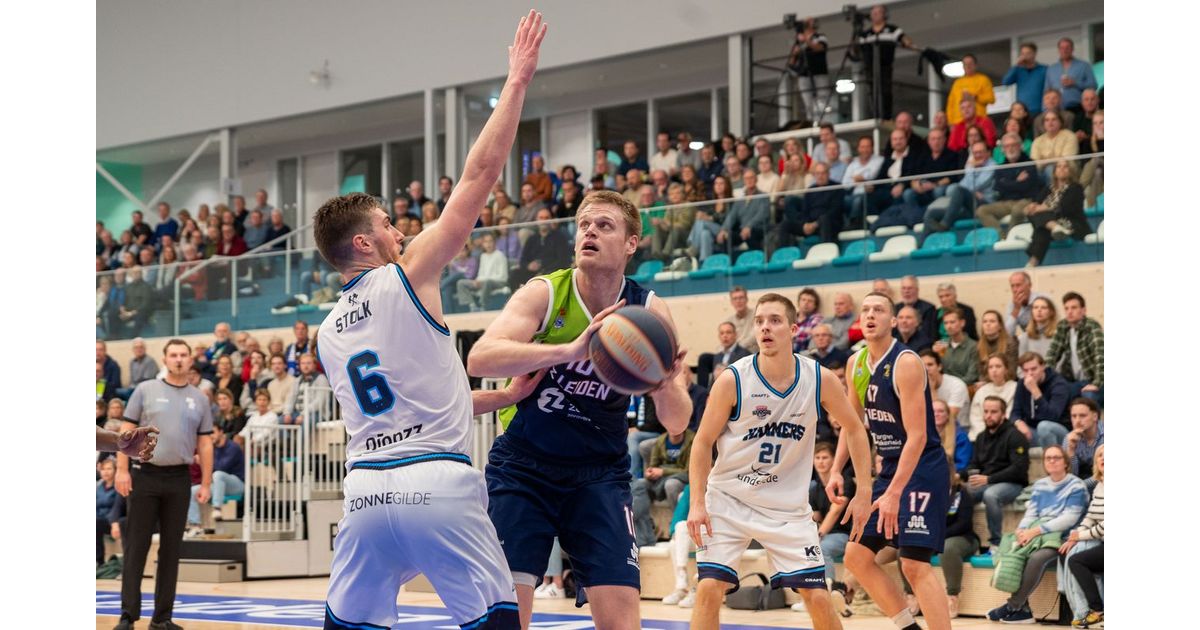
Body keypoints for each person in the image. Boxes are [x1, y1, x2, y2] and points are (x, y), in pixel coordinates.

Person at [310, 13, 546, 630]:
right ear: (364, 243)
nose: (400, 231)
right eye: (387, 224)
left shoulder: (327, 333)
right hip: (437, 485)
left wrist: (502, 397)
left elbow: (406, 400)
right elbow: (480, 176)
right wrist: (517, 81)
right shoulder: (409, 273)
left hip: (365, 494)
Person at [467, 188, 692, 630]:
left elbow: (678, 422)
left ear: (630, 243)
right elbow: (480, 358)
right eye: (584, 225)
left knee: (622, 623)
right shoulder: (546, 293)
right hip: (524, 466)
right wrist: (568, 351)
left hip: (599, 473)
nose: (590, 232)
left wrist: (665, 383)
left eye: (604, 225)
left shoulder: (647, 311)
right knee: (505, 620)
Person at [688, 293, 874, 630]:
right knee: (709, 589)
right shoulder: (733, 379)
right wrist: (697, 503)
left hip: (786, 509)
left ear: (793, 329)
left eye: (774, 321)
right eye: (759, 321)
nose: (765, 328)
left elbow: (855, 428)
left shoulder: (818, 378)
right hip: (729, 500)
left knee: (818, 597)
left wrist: (864, 491)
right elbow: (701, 443)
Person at [833, 291, 952, 630]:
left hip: (922, 468)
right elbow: (852, 425)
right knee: (856, 557)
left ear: (894, 321)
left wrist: (894, 493)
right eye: (865, 310)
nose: (871, 315)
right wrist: (837, 469)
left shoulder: (906, 363)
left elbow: (917, 436)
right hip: (889, 468)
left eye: (879, 310)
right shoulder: (856, 363)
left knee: (914, 564)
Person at [112, 338, 214, 630]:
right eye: (173, 355)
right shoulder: (145, 390)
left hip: (179, 478)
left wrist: (206, 482)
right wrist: (122, 470)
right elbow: (126, 432)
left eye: (183, 355)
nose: (179, 359)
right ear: (165, 359)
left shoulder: (200, 398)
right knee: (137, 547)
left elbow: (205, 443)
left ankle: (162, 619)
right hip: (144, 476)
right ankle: (127, 616)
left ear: (190, 360)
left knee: (171, 550)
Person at [987, 445, 1088, 624]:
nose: (1052, 461)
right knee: (1015, 548)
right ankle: (1024, 610)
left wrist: (1034, 531)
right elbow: (1031, 513)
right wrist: (1022, 530)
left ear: (1066, 463)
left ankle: (1013, 606)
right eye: (1048, 458)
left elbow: (1069, 519)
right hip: (1038, 534)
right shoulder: (1040, 485)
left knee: (1037, 557)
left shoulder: (1076, 485)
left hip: (1064, 538)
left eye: (1056, 457)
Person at [898, 462, 977, 619]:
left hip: (962, 537)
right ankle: (911, 594)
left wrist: (937, 535)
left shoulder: (961, 493)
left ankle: (953, 595)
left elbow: (964, 523)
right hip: (932, 536)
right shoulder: (925, 492)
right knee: (905, 550)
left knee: (948, 549)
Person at [964, 396, 1029, 551]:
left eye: (993, 412)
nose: (988, 415)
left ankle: (996, 542)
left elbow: (1019, 469)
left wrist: (989, 479)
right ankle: (965, 537)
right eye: (986, 411)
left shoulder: (1015, 435)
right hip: (987, 481)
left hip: (1012, 483)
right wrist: (963, 475)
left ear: (1003, 414)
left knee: (991, 495)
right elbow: (974, 464)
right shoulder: (981, 437)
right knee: (963, 493)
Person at [1062, 444, 1104, 628]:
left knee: (1077, 561)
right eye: (1100, 455)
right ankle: (1087, 610)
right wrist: (1075, 535)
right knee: (1069, 553)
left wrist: (1080, 536)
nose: (1103, 458)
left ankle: (1098, 611)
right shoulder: (1100, 485)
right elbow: (1091, 516)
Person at [630, 427, 695, 547]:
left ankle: (676, 524)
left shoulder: (692, 440)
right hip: (661, 479)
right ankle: (647, 529)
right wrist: (650, 473)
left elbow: (689, 470)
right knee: (640, 484)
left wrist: (663, 471)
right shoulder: (661, 440)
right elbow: (653, 465)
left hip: (682, 478)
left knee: (671, 485)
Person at [853, 4, 915, 121]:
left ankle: (886, 116)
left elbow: (905, 39)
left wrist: (907, 43)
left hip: (885, 65)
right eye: (873, 13)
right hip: (870, 67)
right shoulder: (866, 34)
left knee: (885, 91)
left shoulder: (892, 29)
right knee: (872, 91)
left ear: (884, 14)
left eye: (878, 12)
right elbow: (856, 50)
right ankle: (875, 115)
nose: (875, 15)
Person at [1025, 160, 1091, 267]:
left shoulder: (1076, 188)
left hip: (1071, 222)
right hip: (1053, 223)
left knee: (1042, 227)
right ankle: (1055, 227)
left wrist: (1043, 208)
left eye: (1065, 167)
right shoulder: (1048, 188)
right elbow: (1036, 203)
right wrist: (1032, 207)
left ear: (1071, 171)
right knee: (1035, 216)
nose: (1062, 169)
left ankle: (1033, 262)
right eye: (1059, 167)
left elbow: (1064, 209)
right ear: (1054, 171)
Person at [1045, 292, 1104, 406]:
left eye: (1074, 308)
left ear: (1083, 310)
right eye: (1066, 308)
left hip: (1096, 380)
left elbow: (1101, 357)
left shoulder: (1092, 327)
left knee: (1088, 395)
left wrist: (1096, 384)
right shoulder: (1063, 326)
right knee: (1057, 393)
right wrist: (1045, 378)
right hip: (1075, 382)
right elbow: (1052, 354)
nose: (1069, 312)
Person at [186, 423, 244, 536]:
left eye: (213, 432)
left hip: (237, 484)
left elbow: (222, 467)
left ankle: (217, 508)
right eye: (208, 433)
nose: (210, 436)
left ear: (221, 432)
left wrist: (203, 461)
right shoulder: (212, 448)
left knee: (218, 474)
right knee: (191, 491)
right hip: (218, 486)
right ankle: (195, 525)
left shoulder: (233, 447)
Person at [976, 133, 1041, 232]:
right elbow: (999, 188)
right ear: (1003, 149)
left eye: (1013, 145)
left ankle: (1011, 237)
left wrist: (1007, 182)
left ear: (1020, 146)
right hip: (1005, 202)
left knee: (1017, 210)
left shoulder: (1029, 164)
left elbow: (1026, 187)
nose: (1010, 149)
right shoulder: (1000, 168)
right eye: (1007, 146)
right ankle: (1002, 237)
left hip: (1026, 200)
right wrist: (1017, 181)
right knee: (982, 211)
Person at [1011, 352, 1071, 448]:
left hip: (1059, 432)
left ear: (1043, 367)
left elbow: (1052, 416)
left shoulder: (1058, 384)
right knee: (1008, 430)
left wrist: (1035, 392)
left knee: (1044, 427)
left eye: (1034, 369)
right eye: (1026, 370)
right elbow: (1015, 412)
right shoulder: (1022, 384)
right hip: (1034, 432)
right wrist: (1018, 423)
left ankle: (1052, 455)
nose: (1030, 373)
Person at [789, 17, 832, 123]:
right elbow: (791, 62)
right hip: (804, 75)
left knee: (823, 99)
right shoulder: (798, 41)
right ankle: (811, 122)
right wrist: (795, 53)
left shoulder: (820, 36)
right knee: (808, 103)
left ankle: (825, 122)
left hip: (819, 73)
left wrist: (807, 40)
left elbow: (820, 48)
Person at [968, 355, 1017, 440]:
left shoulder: (1015, 388)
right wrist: (986, 433)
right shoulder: (982, 391)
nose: (994, 370)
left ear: (1006, 369)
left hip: (1005, 434)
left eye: (998, 366)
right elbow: (975, 417)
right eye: (990, 367)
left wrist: (995, 432)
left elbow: (1010, 415)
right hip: (982, 435)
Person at [1044, 38, 1097, 116]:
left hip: (1077, 108)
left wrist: (1075, 83)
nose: (1064, 50)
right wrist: (1044, 110)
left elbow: (1093, 86)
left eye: (1067, 47)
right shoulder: (1051, 69)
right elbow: (1046, 91)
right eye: (1062, 48)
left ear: (1072, 49)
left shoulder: (1084, 66)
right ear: (1058, 50)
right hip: (1056, 110)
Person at [696, 321, 751, 388]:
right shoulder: (717, 356)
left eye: (728, 332)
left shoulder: (745, 355)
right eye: (722, 333)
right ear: (719, 337)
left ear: (735, 335)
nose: (725, 336)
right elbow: (712, 383)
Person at [932, 308, 978, 384]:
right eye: (945, 323)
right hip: (943, 385)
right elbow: (937, 371)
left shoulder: (973, 346)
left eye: (952, 322)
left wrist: (954, 385)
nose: (948, 326)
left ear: (962, 323)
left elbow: (972, 376)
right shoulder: (942, 344)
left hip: (965, 386)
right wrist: (933, 354)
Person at [1063, 397, 1104, 482]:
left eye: (1082, 416)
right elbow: (1070, 475)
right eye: (1074, 416)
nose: (1077, 421)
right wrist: (1071, 450)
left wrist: (1081, 485)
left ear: (1095, 416)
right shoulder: (1069, 439)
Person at [946, 54, 994, 125]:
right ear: (963, 66)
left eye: (970, 63)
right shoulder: (957, 83)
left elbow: (991, 99)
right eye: (965, 64)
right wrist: (950, 122)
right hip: (958, 122)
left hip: (978, 122)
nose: (968, 66)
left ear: (976, 65)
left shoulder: (983, 80)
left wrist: (976, 97)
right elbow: (950, 104)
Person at [1002, 43, 1048, 115]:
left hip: (1039, 109)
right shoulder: (1018, 70)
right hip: (1022, 110)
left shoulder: (1044, 69)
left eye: (1028, 53)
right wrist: (1016, 65)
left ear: (1034, 54)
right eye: (1023, 54)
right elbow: (1005, 82)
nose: (1025, 56)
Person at [97, 458, 120, 565]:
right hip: (99, 519)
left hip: (112, 522)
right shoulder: (99, 487)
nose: (105, 472)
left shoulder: (119, 486)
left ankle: (99, 562)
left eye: (109, 469)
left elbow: (117, 508)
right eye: (103, 469)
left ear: (115, 470)